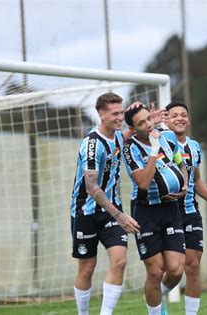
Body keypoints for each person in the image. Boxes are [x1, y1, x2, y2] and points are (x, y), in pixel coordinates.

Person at [70, 92, 140, 315]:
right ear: (101, 114)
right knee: (87, 268)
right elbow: (91, 187)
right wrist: (120, 216)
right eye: (115, 113)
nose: (120, 117)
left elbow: (128, 133)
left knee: (119, 262)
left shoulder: (118, 136)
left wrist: (146, 117)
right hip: (86, 212)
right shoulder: (92, 144)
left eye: (122, 112)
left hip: (111, 212)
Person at [122, 104, 188, 315]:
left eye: (149, 118)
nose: (148, 124)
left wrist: (184, 185)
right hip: (146, 212)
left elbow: (181, 162)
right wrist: (153, 149)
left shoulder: (167, 137)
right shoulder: (130, 148)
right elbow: (143, 182)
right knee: (156, 270)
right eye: (141, 122)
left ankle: (155, 295)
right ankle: (155, 311)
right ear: (133, 128)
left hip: (170, 209)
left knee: (176, 269)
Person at [157, 101, 207, 315]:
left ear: (189, 119)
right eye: (173, 115)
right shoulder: (158, 142)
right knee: (172, 269)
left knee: (193, 267)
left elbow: (197, 179)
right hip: (166, 212)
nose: (179, 118)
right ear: (166, 119)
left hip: (191, 212)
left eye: (183, 114)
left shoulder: (194, 146)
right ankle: (159, 294)